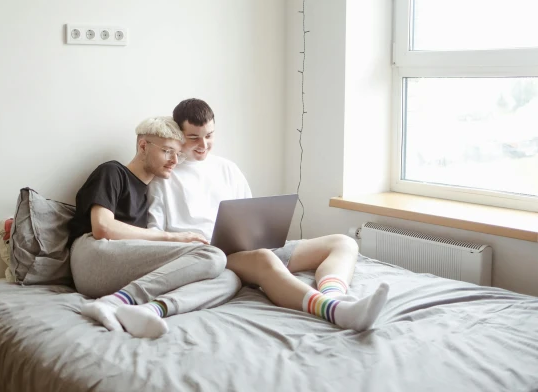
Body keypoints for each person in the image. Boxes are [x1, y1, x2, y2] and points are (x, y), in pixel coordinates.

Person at [148, 99, 389, 331]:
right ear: (179, 135)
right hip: (213, 257)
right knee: (264, 258)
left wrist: (260, 231)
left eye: (209, 135)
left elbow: (249, 214)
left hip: (250, 248)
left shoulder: (226, 168)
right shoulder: (165, 178)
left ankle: (336, 298)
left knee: (343, 243)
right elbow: (155, 236)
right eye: (193, 138)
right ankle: (332, 311)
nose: (203, 144)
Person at [68, 116, 241, 338]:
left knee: (229, 277)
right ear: (143, 146)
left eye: (178, 154)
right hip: (91, 255)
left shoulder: (150, 194)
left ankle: (149, 308)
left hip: (120, 265)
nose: (175, 161)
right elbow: (102, 227)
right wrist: (171, 238)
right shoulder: (113, 172)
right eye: (168, 151)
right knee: (212, 255)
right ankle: (113, 302)